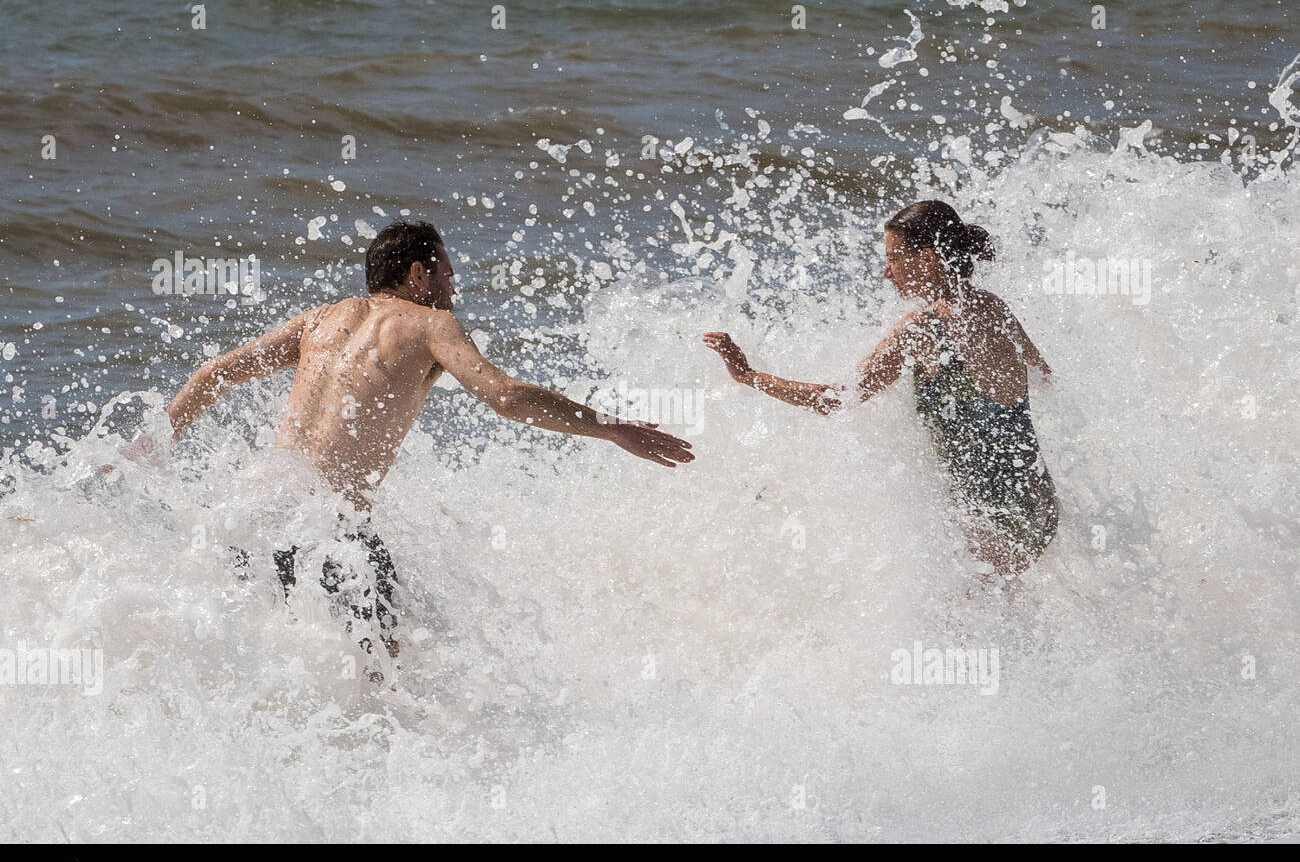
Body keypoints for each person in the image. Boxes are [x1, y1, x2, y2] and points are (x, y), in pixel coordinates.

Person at [144, 220, 693, 661]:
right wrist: (608, 427)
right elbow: (505, 397)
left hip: (259, 515)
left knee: (274, 657)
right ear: (416, 274)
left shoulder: (318, 321)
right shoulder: (431, 325)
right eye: (447, 275)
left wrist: (153, 444)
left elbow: (211, 373)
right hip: (329, 526)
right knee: (384, 664)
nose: (453, 289)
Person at [703, 200, 1057, 579]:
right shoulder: (995, 309)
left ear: (927, 258)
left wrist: (748, 375)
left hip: (988, 517)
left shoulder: (923, 328)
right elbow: (1046, 379)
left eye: (894, 258)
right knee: (997, 618)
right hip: (1039, 505)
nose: (887, 273)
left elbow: (834, 400)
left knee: (954, 625)